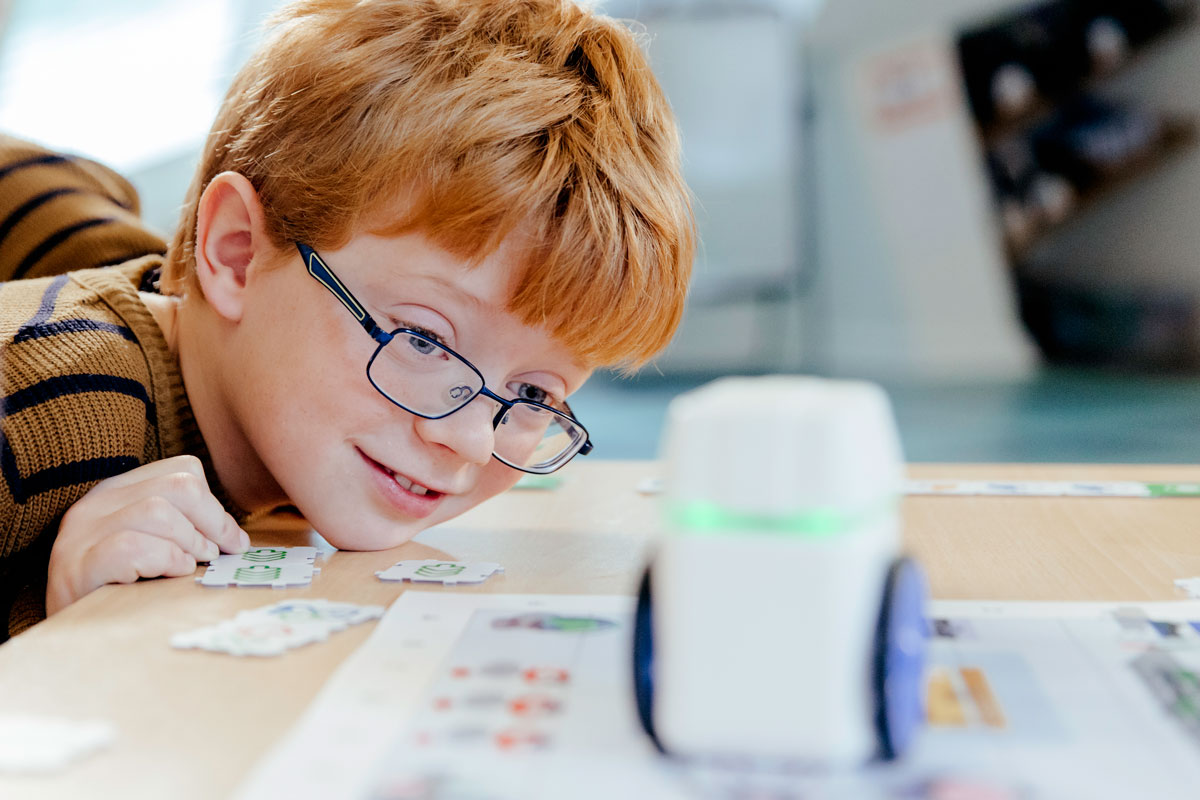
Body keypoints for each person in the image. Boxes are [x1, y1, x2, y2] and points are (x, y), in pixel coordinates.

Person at [0, 0, 694, 640]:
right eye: (424, 340)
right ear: (236, 254)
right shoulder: (38, 411)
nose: (470, 441)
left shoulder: (271, 396)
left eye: (535, 395)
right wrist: (49, 626)